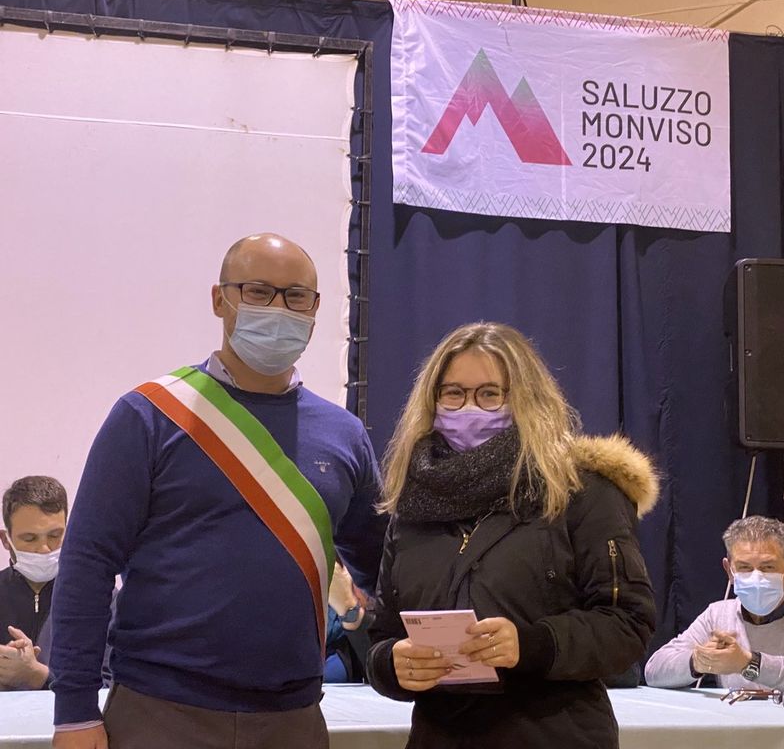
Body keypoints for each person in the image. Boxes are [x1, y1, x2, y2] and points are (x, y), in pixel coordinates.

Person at [50, 233, 387, 749]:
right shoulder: (149, 416)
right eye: (258, 291)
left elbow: (385, 563)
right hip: (159, 712)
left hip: (293, 718)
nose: (279, 308)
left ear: (316, 309)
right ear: (219, 299)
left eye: (296, 296)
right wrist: (74, 712)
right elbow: (87, 563)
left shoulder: (345, 434)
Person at [366, 322, 658, 749]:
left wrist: (532, 644)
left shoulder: (581, 491)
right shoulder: (412, 503)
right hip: (440, 736)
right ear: (432, 400)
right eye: (453, 393)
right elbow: (383, 635)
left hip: (555, 735)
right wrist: (391, 666)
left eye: (490, 394)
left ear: (526, 398)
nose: (469, 407)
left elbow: (628, 623)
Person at [644, 515, 784, 700]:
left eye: (767, 567)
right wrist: (697, 661)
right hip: (741, 729)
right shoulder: (718, 614)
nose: (757, 577)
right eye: (744, 568)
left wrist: (749, 663)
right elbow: (654, 670)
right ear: (729, 571)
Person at [0, 475, 67, 691]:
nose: (44, 549)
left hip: (68, 714)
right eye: (29, 538)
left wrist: (38, 676)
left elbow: (111, 688)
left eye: (55, 535)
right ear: (6, 540)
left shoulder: (99, 598)